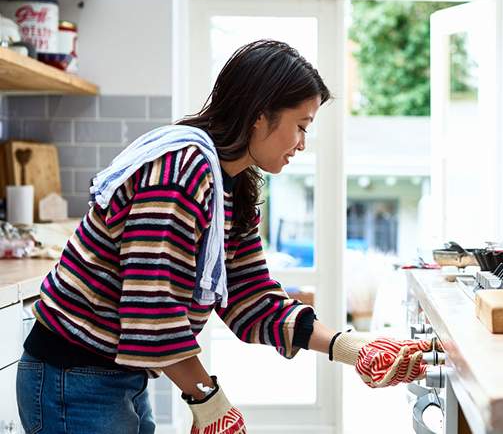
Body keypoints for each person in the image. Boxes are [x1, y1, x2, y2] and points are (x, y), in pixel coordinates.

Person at [16, 40, 439, 434]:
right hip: (71, 378)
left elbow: (250, 298)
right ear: (260, 115)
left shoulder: (230, 185)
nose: (302, 144)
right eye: (301, 125)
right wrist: (209, 401)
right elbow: (152, 307)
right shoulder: (180, 172)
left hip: (115, 374)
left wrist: (351, 349)